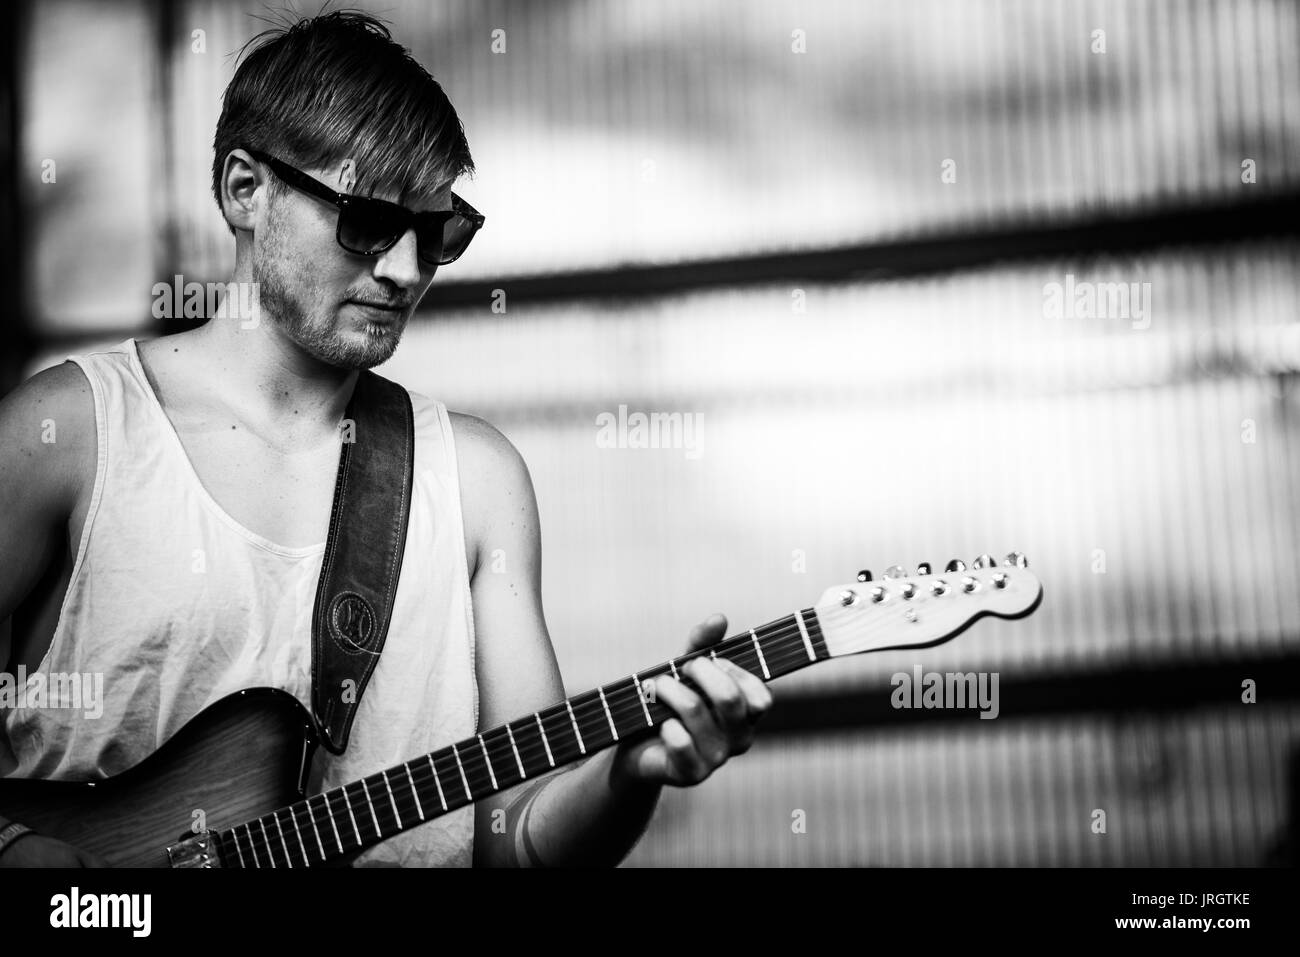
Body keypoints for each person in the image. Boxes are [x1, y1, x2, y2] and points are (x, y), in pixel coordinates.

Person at [0, 11, 771, 867]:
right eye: (366, 219)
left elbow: (519, 843)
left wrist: (631, 773)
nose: (406, 271)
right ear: (244, 189)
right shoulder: (67, 438)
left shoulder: (476, 483)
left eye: (436, 232)